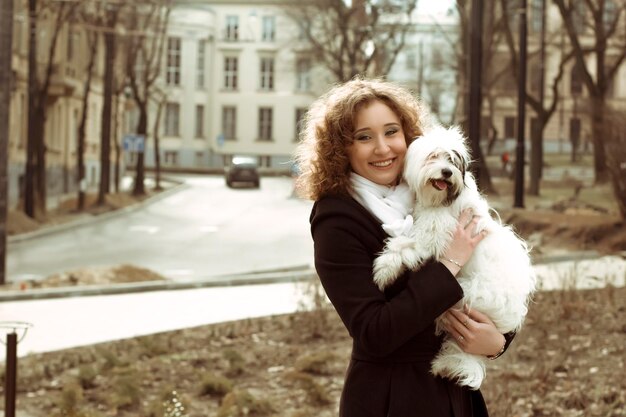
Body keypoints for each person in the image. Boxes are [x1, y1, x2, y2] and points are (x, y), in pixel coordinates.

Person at [294, 77, 515, 417]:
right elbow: (374, 332)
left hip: (455, 395)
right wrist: (450, 263)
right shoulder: (337, 221)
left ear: (409, 137)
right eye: (364, 137)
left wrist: (499, 342)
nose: (383, 148)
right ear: (342, 148)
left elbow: (492, 273)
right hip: (392, 397)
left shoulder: (435, 191)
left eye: (392, 132)